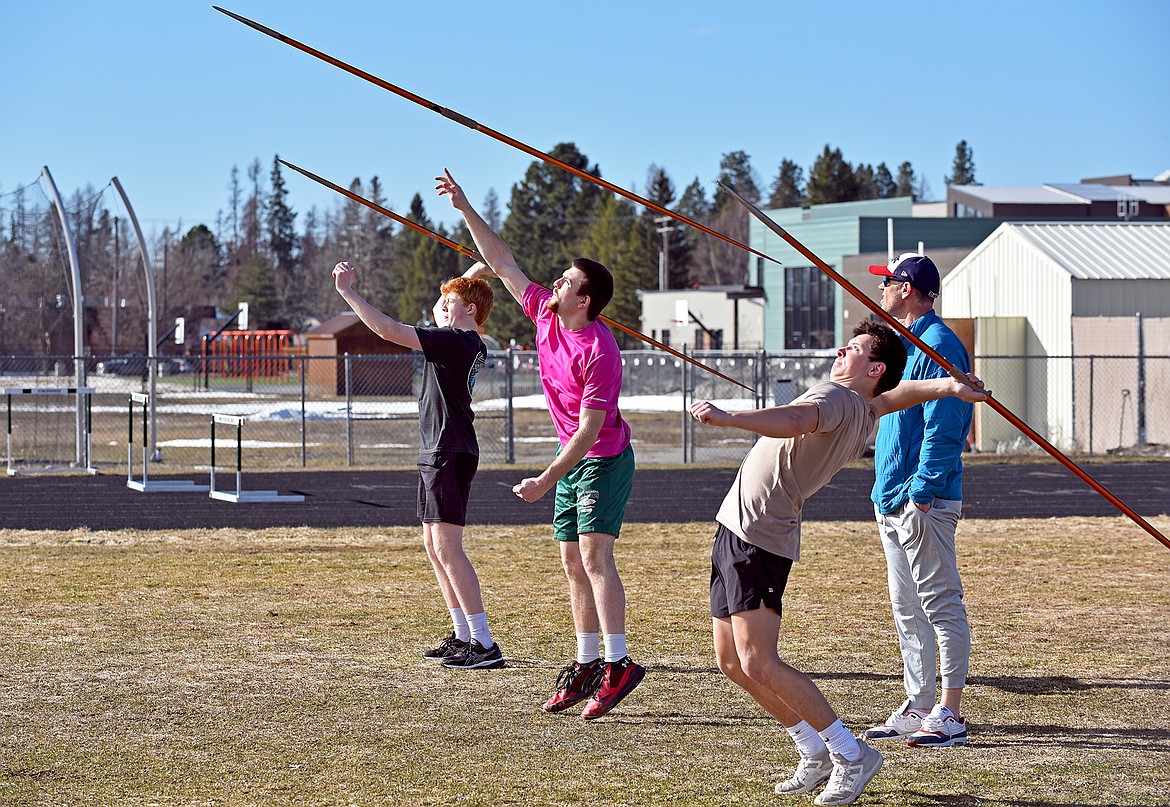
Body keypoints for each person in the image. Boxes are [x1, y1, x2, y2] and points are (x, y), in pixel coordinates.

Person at [689, 319, 987, 806]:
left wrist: (729, 418)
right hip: (737, 528)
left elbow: (793, 421)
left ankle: (852, 754)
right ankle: (812, 749)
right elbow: (899, 395)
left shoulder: (835, 399)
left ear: (874, 367)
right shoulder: (866, 408)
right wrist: (951, 385)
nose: (841, 350)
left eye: (854, 348)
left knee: (759, 661)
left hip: (759, 538)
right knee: (732, 663)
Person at [436, 168, 644, 720]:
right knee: (572, 563)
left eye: (566, 282)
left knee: (597, 558)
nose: (555, 284)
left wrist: (546, 478)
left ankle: (618, 662)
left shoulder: (600, 349)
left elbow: (590, 431)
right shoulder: (544, 313)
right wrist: (464, 207)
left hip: (600, 460)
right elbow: (501, 260)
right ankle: (584, 663)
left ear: (586, 298)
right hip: (571, 463)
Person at [333, 259, 504, 670]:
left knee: (447, 548)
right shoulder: (459, 337)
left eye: (450, 301)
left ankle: (484, 642)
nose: (439, 305)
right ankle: (463, 635)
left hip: (450, 448)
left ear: (467, 311)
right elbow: (446, 305)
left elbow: (388, 330)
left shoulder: (457, 342)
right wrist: (475, 271)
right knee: (434, 547)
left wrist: (348, 292)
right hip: (438, 448)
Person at [863, 253, 973, 748]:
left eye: (887, 283)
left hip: (921, 500)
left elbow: (945, 427)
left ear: (906, 288)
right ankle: (919, 701)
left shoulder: (940, 344)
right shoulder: (906, 344)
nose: (882, 290)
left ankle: (949, 711)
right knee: (907, 607)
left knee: (940, 603)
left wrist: (922, 491)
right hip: (891, 497)